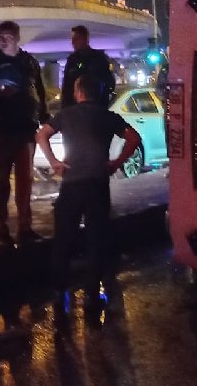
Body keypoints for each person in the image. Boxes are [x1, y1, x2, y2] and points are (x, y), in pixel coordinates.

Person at [37, 72, 142, 319]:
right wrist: (117, 162)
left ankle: (59, 291)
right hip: (97, 183)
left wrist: (54, 162)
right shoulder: (108, 117)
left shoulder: (66, 115)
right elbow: (134, 138)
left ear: (80, 92)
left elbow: (41, 134)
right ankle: (92, 295)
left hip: (72, 183)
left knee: (63, 240)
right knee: (96, 240)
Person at [0, 20, 49, 246]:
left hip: (26, 129)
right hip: (3, 130)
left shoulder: (29, 62)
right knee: (1, 181)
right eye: (0, 36)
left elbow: (40, 91)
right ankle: (1, 227)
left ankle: (25, 227)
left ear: (17, 37)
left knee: (25, 181)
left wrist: (43, 117)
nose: (3, 40)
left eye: (8, 35)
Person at [60, 25, 116, 108]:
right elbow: (66, 87)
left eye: (76, 39)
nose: (73, 43)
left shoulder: (99, 58)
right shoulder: (72, 60)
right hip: (75, 109)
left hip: (96, 108)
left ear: (85, 39)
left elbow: (108, 82)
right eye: (72, 39)